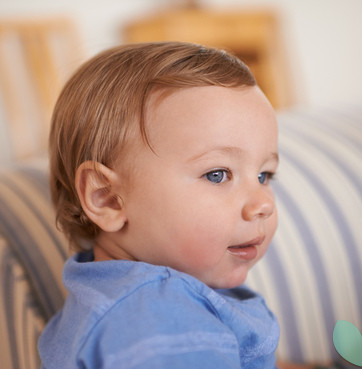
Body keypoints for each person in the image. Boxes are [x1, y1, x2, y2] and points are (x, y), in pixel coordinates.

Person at [38, 41, 282, 369]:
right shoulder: (157, 316)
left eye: (265, 175)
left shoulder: (117, 302)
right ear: (107, 199)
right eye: (217, 174)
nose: (262, 204)